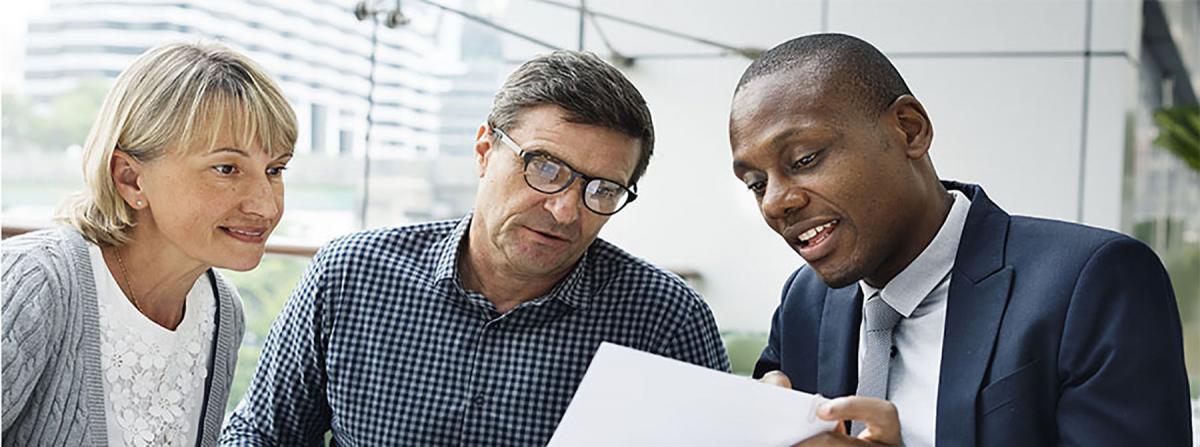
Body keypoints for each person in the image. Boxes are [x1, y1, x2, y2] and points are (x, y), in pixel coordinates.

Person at [221, 50, 730, 446]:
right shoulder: (351, 274)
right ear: (485, 150)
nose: (566, 211)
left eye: (601, 190)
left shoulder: (665, 320)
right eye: (545, 168)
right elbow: (263, 433)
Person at [728, 33, 1193, 446]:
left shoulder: (1092, 283)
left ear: (910, 129)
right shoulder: (804, 303)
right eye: (755, 184)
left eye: (805, 159)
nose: (774, 203)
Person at [2, 41, 297, 446]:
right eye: (227, 168)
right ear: (130, 178)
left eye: (275, 169)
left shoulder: (223, 312)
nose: (265, 204)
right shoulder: (35, 284)